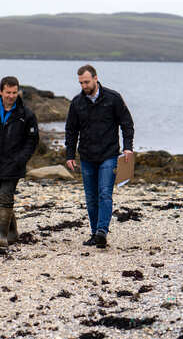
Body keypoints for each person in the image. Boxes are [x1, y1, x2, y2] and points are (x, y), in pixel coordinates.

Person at [65, 64, 134, 248]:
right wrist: (69, 155)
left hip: (109, 155)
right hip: (86, 156)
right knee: (91, 197)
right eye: (81, 83)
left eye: (86, 82)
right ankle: (95, 233)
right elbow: (71, 130)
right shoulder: (77, 102)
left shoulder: (113, 98)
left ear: (96, 78)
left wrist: (128, 147)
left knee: (104, 193)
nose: (84, 86)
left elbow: (127, 123)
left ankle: (102, 231)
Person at [0, 76, 39, 252]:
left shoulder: (26, 115)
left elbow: (32, 141)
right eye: (8, 92)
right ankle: (12, 232)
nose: (11, 95)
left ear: (18, 91)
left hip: (14, 165)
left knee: (5, 197)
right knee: (0, 198)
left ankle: (0, 238)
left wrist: (21, 158)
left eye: (14, 92)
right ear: (0, 91)